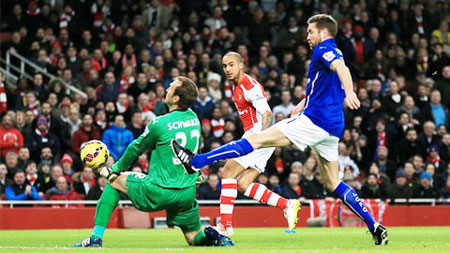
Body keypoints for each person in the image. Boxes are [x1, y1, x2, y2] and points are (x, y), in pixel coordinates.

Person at [172, 15, 388, 245]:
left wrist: (351, 92)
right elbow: (327, 84)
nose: (307, 36)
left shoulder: (323, 50)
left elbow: (341, 69)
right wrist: (305, 101)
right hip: (332, 127)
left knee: (254, 142)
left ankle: (197, 162)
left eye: (310, 31)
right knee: (333, 182)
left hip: (314, 121)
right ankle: (374, 225)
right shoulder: (333, 49)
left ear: (324, 33)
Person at [75, 77, 233, 247]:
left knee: (114, 182)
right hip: (187, 192)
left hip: (160, 190)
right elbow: (195, 151)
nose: (167, 89)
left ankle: (95, 238)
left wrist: (115, 168)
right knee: (194, 237)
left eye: (171, 87)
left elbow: (136, 148)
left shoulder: (159, 123)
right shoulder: (194, 118)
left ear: (176, 98)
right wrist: (198, 171)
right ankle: (211, 236)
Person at [209, 52, 299, 236]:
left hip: (257, 136)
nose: (227, 69)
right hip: (261, 138)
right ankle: (286, 204)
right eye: (225, 65)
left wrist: (259, 139)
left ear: (241, 65)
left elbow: (267, 114)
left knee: (227, 172)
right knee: (242, 184)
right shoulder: (237, 86)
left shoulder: (249, 86)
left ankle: (225, 226)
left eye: (231, 65)